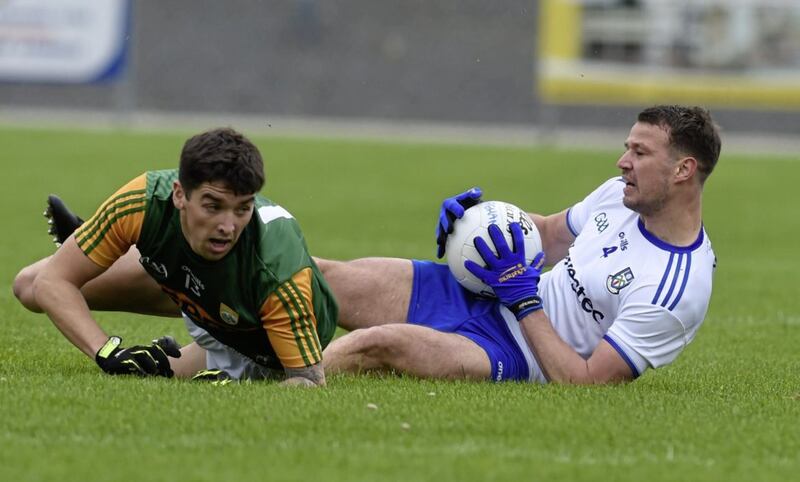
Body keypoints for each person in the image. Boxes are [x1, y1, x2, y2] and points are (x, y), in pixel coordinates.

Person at [318, 105, 720, 384]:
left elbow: (585, 382)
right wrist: (477, 221)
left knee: (379, 343)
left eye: (640, 152)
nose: (622, 161)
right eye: (627, 147)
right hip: (492, 290)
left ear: (683, 170)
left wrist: (525, 302)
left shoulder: (676, 289)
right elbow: (547, 233)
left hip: (511, 351)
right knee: (325, 278)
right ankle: (253, 334)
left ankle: (283, 379)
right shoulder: (619, 195)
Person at [13, 127, 338, 386]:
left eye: (243, 208)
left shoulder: (278, 276)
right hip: (195, 289)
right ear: (179, 193)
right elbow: (51, 282)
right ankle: (104, 243)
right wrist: (107, 351)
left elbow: (307, 381)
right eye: (213, 206)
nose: (228, 225)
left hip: (256, 342)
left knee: (378, 339)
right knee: (29, 284)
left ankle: (105, 246)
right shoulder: (142, 200)